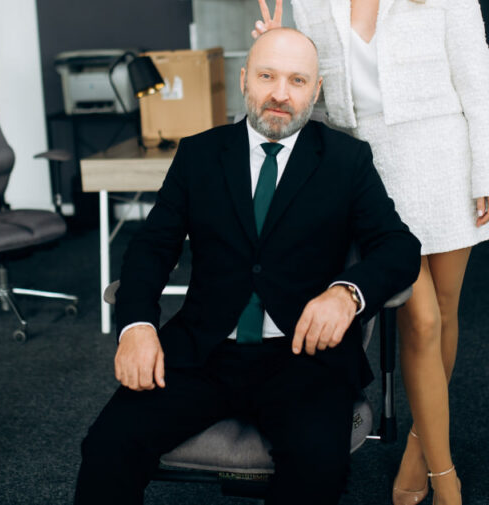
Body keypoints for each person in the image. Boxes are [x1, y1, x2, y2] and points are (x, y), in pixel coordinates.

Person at [251, 0, 489, 505]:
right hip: (370, 176)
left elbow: (477, 79)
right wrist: (274, 50)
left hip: (443, 160)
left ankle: (421, 448)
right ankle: (448, 483)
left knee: (444, 313)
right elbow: (308, 101)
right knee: (418, 318)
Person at [74, 27, 421, 505]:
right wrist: (136, 325)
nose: (280, 94)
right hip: (203, 351)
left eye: (297, 80)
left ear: (316, 90)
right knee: (107, 449)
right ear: (244, 80)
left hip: (304, 358)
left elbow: (398, 247)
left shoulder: (347, 159)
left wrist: (347, 293)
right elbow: (152, 246)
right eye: (266, 76)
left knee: (315, 471)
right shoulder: (199, 154)